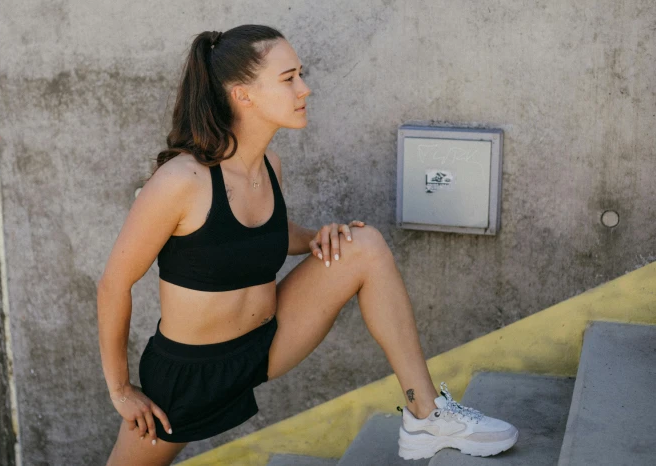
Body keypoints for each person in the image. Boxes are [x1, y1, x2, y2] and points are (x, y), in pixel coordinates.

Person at [96, 24, 518, 465]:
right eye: (288, 78)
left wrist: (317, 238)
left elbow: (255, 237)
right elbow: (113, 285)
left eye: (301, 74)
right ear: (243, 95)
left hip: (265, 344)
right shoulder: (181, 182)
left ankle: (425, 414)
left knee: (364, 245)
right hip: (190, 376)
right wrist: (121, 389)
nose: (305, 89)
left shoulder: (269, 166)